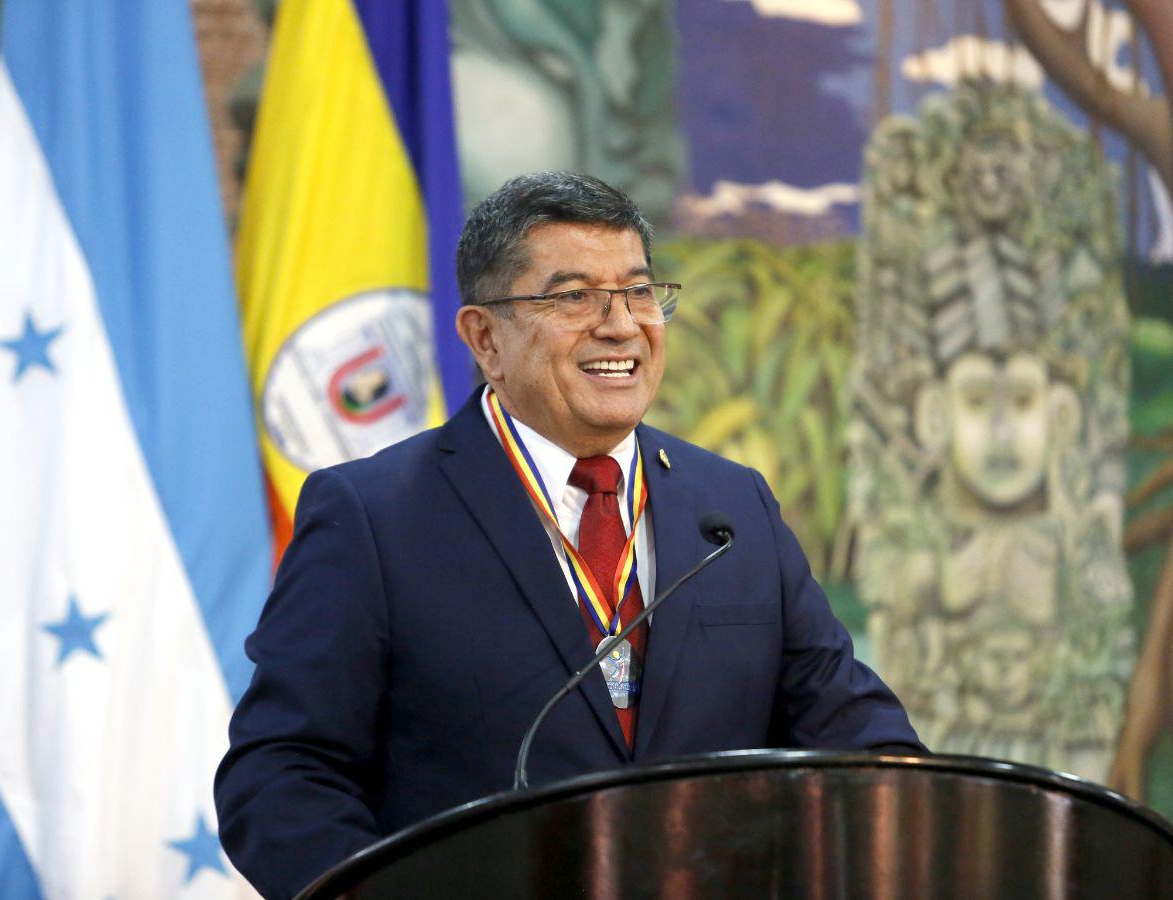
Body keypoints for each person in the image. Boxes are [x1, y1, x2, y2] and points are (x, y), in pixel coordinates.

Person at [214, 172, 924, 898]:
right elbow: (281, 774)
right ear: (484, 338)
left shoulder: (733, 508)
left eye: (639, 292)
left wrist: (924, 818)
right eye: (573, 296)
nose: (621, 326)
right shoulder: (375, 516)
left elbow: (854, 732)